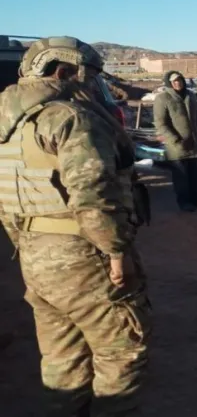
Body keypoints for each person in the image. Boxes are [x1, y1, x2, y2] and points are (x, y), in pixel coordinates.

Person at [0, 37, 151, 415]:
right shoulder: (69, 117)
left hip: (34, 251)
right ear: (66, 72)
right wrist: (116, 252)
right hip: (83, 252)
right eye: (91, 76)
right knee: (121, 351)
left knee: (62, 357)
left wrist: (25, 240)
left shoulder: (10, 122)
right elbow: (93, 193)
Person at [154, 70, 197, 212]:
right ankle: (184, 202)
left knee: (196, 174)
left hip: (194, 141)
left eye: (180, 80)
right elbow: (161, 123)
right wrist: (175, 139)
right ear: (169, 83)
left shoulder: (190, 95)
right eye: (174, 81)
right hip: (177, 145)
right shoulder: (163, 98)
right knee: (181, 176)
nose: (178, 83)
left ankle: (196, 198)